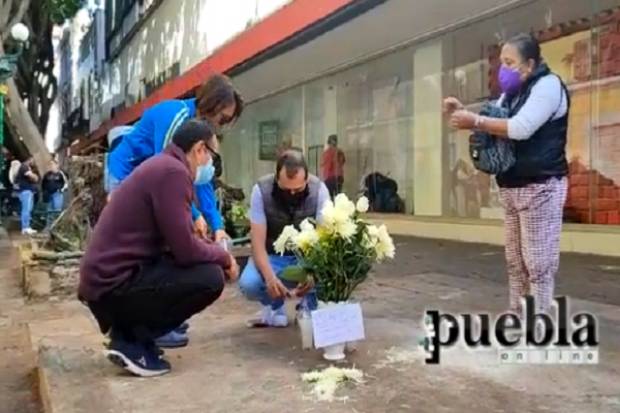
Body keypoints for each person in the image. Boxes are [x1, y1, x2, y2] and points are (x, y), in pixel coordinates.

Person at [79, 120, 239, 377]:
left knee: (201, 267)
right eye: (212, 154)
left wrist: (211, 248)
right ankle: (131, 341)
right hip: (112, 286)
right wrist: (224, 257)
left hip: (108, 282)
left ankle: (131, 335)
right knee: (209, 278)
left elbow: (180, 237)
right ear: (199, 149)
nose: (211, 164)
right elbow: (185, 250)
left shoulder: (164, 167)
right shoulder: (173, 173)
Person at [444, 33, 570, 314]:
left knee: (538, 263)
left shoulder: (548, 87)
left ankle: (539, 321)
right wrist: (464, 114)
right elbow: (494, 122)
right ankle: (518, 313)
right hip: (512, 186)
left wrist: (474, 120)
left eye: (509, 62)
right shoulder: (510, 94)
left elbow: (521, 127)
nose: (503, 69)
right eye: (502, 62)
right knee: (515, 261)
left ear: (529, 64)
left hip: (541, 185)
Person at [106, 73, 243, 242]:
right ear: (211, 104)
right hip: (125, 172)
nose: (221, 126)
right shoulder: (175, 117)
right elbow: (164, 174)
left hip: (148, 179)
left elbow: (203, 179)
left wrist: (217, 226)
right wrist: (195, 215)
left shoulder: (200, 130)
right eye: (223, 119)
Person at [239, 149, 330, 327]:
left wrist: (313, 273)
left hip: (307, 258)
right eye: (286, 190)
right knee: (249, 284)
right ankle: (273, 306)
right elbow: (257, 244)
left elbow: (325, 241)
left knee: (332, 274)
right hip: (273, 256)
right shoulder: (261, 191)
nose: (292, 194)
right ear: (276, 178)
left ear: (307, 179)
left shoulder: (319, 191)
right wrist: (270, 278)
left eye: (298, 189)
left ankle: (309, 304)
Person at [14, 157, 39, 235]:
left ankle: (26, 227)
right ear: (30, 159)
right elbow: (33, 177)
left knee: (28, 209)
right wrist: (35, 177)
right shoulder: (24, 166)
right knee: (26, 209)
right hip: (26, 191)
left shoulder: (26, 167)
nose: (34, 163)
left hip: (28, 192)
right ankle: (25, 227)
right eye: (33, 161)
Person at [41, 160, 68, 227]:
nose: (51, 166)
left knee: (57, 210)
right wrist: (44, 192)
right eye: (50, 165)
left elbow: (66, 183)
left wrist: (61, 190)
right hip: (48, 194)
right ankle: (49, 226)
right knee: (49, 211)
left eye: (53, 164)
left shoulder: (61, 174)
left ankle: (56, 226)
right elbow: (43, 184)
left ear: (57, 165)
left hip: (57, 194)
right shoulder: (47, 174)